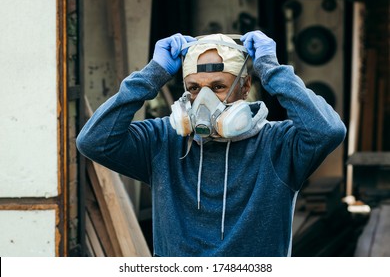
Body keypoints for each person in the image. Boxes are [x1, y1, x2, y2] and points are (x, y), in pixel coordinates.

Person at [76, 30, 346, 257]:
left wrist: (272, 71)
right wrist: (152, 74)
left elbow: (328, 131)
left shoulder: (278, 145)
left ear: (245, 86)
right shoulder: (163, 142)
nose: (204, 99)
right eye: (194, 88)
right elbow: (94, 141)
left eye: (218, 86)